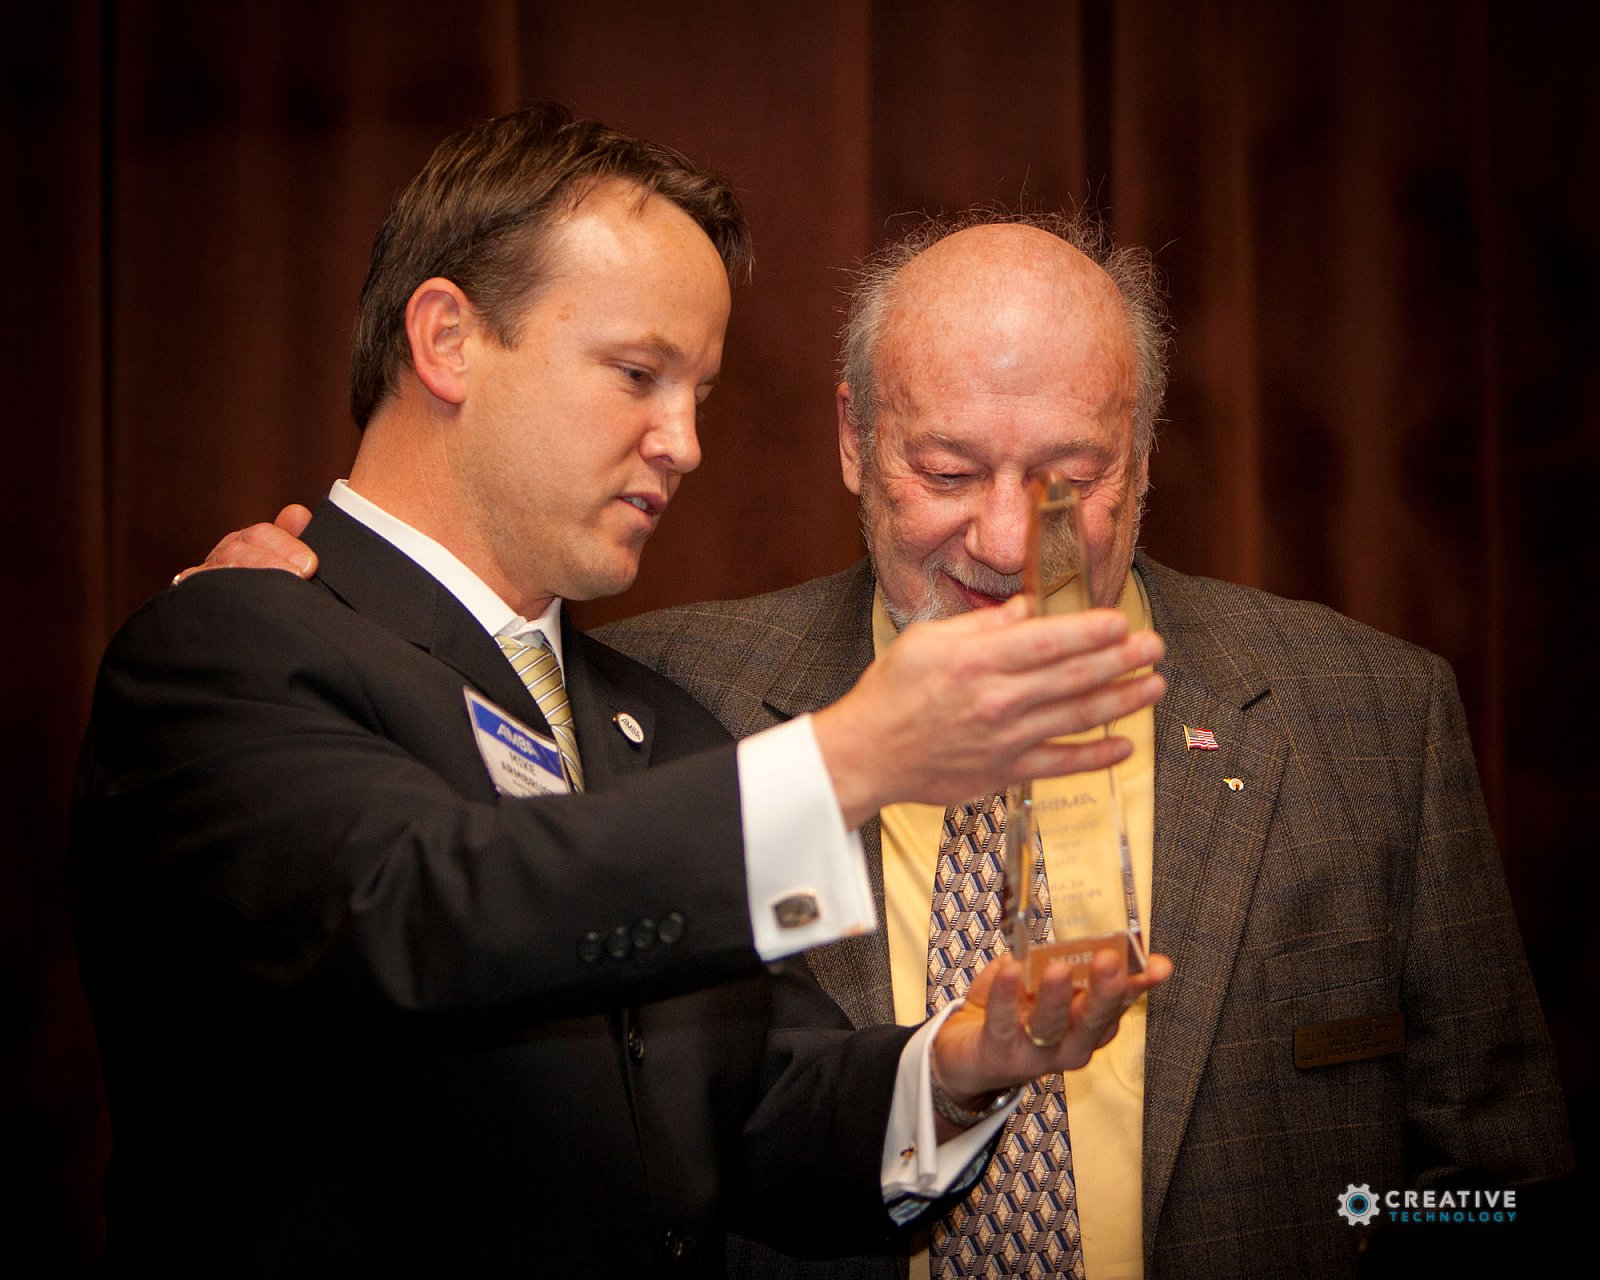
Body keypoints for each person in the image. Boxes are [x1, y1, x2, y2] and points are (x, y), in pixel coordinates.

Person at [212, 204, 1575, 1278]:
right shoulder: (661, 701)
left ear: (1146, 454)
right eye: (947, 470)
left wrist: (1361, 1218)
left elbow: (1491, 1186)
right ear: (856, 442)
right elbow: (433, 854)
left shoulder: (1368, 715)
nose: (1006, 540)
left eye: (1072, 479)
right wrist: (293, 601)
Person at [74, 112, 1177, 1278]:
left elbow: (757, 1111)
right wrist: (852, 754)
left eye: (699, 390)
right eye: (639, 375)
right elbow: (431, 910)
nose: (686, 442)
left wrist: (958, 1067)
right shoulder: (225, 641)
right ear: (448, 338)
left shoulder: (654, 721)